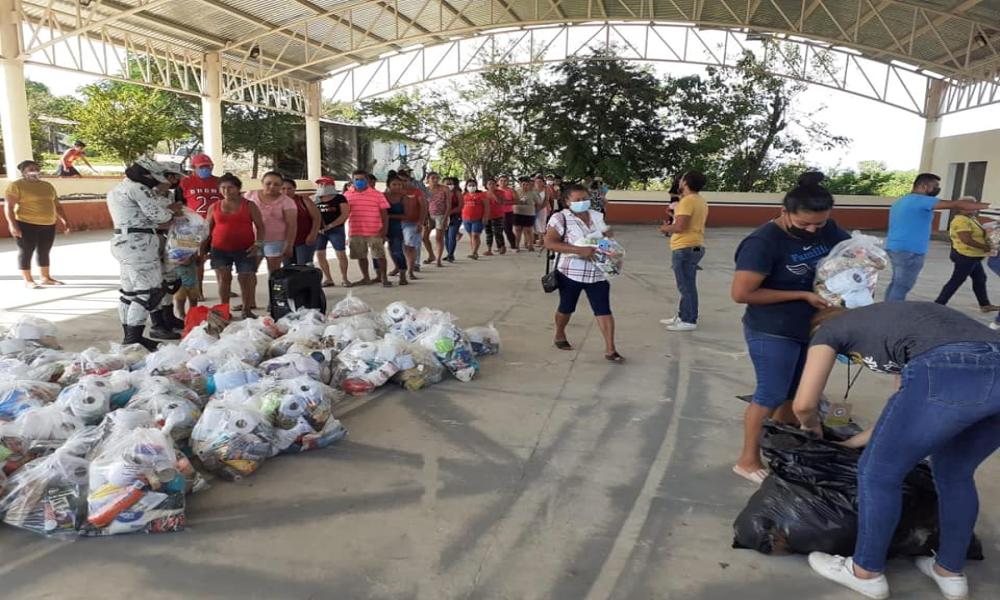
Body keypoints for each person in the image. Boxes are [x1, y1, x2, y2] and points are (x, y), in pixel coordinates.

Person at [795, 302, 1000, 600]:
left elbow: (803, 404)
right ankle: (950, 571)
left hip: (949, 367)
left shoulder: (828, 330)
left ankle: (864, 572)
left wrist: (810, 427)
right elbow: (902, 407)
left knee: (878, 474)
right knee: (955, 473)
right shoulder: (897, 323)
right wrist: (854, 441)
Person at [730, 172, 850, 484]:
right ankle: (747, 459)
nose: (813, 231)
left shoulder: (828, 228)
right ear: (785, 213)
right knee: (770, 392)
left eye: (819, 224)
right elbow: (742, 293)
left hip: (811, 327)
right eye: (804, 224)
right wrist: (801, 294)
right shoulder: (763, 242)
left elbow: (848, 254)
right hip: (772, 328)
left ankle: (783, 443)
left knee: (796, 393)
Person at [107, 157, 185, 350]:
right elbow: (160, 216)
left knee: (129, 293)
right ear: (145, 175)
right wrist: (171, 211)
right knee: (149, 293)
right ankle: (134, 338)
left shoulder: (117, 189)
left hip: (124, 242)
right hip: (139, 245)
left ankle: (130, 335)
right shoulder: (138, 188)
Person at [544, 184, 622, 362]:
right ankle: (559, 333)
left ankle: (611, 349)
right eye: (577, 200)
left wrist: (608, 240)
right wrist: (579, 250)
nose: (582, 202)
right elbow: (549, 243)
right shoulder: (560, 218)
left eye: (585, 199)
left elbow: (605, 239)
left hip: (598, 272)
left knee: (603, 310)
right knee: (566, 308)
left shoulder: (597, 216)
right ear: (566, 201)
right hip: (570, 273)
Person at [884, 173, 988, 301]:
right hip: (909, 250)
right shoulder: (920, 200)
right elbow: (957, 205)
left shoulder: (902, 200)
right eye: (935, 186)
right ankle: (893, 314)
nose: (938, 189)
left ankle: (887, 309)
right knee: (903, 285)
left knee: (897, 283)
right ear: (923, 186)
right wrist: (990, 206)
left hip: (896, 247)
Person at [204, 173, 266, 319]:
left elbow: (260, 227)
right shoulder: (214, 207)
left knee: (246, 279)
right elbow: (206, 229)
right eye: (223, 188)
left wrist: (258, 245)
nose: (226, 191)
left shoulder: (249, 205)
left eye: (230, 188)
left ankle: (246, 309)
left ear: (238, 189)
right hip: (219, 249)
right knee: (224, 279)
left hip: (245, 249)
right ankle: (224, 309)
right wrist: (202, 249)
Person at [4, 159, 69, 288]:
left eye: (36, 168)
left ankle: (46, 277)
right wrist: (12, 224)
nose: (34, 171)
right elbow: (9, 206)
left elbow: (57, 205)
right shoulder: (16, 185)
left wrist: (65, 221)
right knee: (26, 251)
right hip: (25, 223)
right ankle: (28, 280)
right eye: (30, 169)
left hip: (48, 224)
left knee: (44, 251)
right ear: (23, 172)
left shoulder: (47, 186)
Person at [659, 171, 710, 332]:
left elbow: (680, 227)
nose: (679, 181)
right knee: (687, 284)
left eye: (681, 179)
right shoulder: (700, 200)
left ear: (686, 182)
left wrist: (664, 228)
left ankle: (689, 320)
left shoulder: (687, 201)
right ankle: (682, 315)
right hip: (695, 245)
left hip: (685, 247)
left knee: (686, 286)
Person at [932, 200, 1000, 312]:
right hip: (966, 255)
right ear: (960, 208)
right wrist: (986, 247)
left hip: (973, 255)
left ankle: (985, 305)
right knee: (956, 280)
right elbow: (966, 239)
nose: (974, 208)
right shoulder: (960, 220)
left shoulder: (970, 218)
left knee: (980, 278)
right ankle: (939, 304)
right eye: (970, 206)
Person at [179, 153, 223, 299]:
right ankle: (198, 291)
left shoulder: (220, 182)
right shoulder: (185, 182)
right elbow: (179, 204)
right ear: (193, 168)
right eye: (202, 167)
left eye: (208, 166)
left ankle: (224, 288)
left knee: (220, 259)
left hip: (218, 226)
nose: (206, 169)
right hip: (195, 226)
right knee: (198, 259)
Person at [345, 169, 391, 287]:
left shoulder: (377, 194)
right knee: (361, 256)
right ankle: (366, 278)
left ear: (368, 180)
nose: (359, 181)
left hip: (375, 231)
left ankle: (383, 278)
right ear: (352, 180)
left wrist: (384, 230)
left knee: (379, 255)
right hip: (356, 231)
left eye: (362, 179)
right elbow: (343, 213)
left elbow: (384, 215)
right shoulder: (347, 195)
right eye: (357, 179)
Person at [246, 172, 296, 274]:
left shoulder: (287, 201)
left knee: (274, 272)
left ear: (281, 186)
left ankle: (274, 290)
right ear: (262, 183)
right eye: (268, 183)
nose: (272, 186)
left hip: (276, 241)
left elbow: (292, 225)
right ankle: (248, 290)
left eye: (276, 184)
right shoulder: (250, 195)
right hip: (254, 241)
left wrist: (289, 245)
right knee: (249, 271)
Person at [313, 176, 352, 288]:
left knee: (340, 253)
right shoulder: (315, 198)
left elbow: (344, 214)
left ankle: (344, 278)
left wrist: (330, 225)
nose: (322, 186)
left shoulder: (340, 198)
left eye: (325, 184)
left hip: (336, 229)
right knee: (320, 254)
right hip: (319, 231)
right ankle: (328, 278)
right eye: (320, 184)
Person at [280, 178, 321, 266]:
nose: (286, 191)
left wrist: (313, 234)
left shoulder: (303, 200)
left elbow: (317, 218)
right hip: (285, 241)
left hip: (304, 240)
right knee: (287, 267)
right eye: (283, 188)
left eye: (289, 188)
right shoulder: (277, 202)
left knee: (304, 266)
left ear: (294, 189)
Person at [426, 172, 450, 268]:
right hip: (429, 215)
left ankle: (438, 259)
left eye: (437, 178)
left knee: (439, 238)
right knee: (424, 236)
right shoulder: (426, 190)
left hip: (441, 215)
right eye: (433, 178)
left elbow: (448, 204)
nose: (435, 180)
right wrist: (426, 218)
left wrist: (445, 218)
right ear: (428, 179)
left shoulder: (444, 189)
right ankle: (431, 255)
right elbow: (425, 204)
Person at [462, 178, 489, 260]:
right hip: (466, 219)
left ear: (476, 186)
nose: (471, 187)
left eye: (473, 185)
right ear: (466, 186)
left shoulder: (481, 195)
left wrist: (485, 217)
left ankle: (474, 252)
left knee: (475, 235)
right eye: (469, 185)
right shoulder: (464, 195)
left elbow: (486, 207)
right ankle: (474, 252)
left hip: (478, 219)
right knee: (471, 236)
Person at [513, 176, 539, 251]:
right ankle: (516, 246)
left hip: (529, 213)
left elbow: (538, 202)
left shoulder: (533, 192)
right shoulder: (516, 191)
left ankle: (530, 245)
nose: (525, 186)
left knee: (528, 230)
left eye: (527, 184)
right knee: (518, 229)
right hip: (517, 213)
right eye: (523, 184)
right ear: (520, 184)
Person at [483, 178, 506, 256]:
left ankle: (501, 246)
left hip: (498, 216)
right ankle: (489, 249)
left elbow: (501, 202)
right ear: (486, 185)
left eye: (493, 184)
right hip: (487, 216)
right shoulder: (484, 194)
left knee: (497, 232)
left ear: (496, 185)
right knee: (488, 233)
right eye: (489, 184)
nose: (491, 185)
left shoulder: (501, 192)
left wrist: (493, 194)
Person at [444, 176, 463, 263]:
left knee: (452, 236)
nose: (449, 185)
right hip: (443, 217)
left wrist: (449, 212)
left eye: (451, 183)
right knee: (446, 237)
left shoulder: (457, 193)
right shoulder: (441, 193)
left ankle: (451, 254)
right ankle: (449, 254)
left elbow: (460, 206)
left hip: (455, 217)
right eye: (447, 183)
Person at [498, 175, 519, 250]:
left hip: (508, 213)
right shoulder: (495, 190)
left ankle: (513, 245)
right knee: (498, 231)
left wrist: (506, 202)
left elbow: (517, 201)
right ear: (498, 182)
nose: (503, 182)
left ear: (508, 182)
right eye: (501, 180)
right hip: (497, 214)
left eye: (505, 180)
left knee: (508, 230)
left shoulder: (511, 190)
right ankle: (501, 246)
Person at [533, 175, 551, 249]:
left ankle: (541, 240)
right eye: (536, 181)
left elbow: (547, 200)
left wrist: (540, 208)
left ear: (543, 182)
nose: (538, 183)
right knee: (534, 224)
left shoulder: (546, 189)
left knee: (541, 224)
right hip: (533, 208)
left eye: (540, 181)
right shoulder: (533, 189)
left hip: (542, 209)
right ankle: (532, 240)